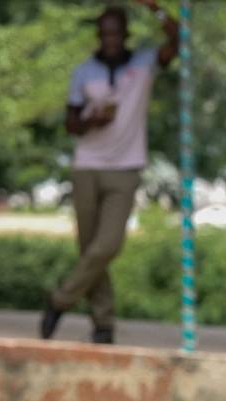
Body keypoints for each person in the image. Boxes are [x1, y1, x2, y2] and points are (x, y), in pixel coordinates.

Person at [40, 0, 178, 344]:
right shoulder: (84, 72)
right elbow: (71, 124)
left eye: (115, 32)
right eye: (104, 33)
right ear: (98, 35)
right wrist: (91, 120)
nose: (110, 38)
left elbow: (179, 41)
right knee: (89, 248)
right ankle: (103, 324)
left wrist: (155, 8)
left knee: (107, 246)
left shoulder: (145, 63)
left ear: (125, 34)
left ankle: (60, 300)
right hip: (87, 165)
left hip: (126, 167)